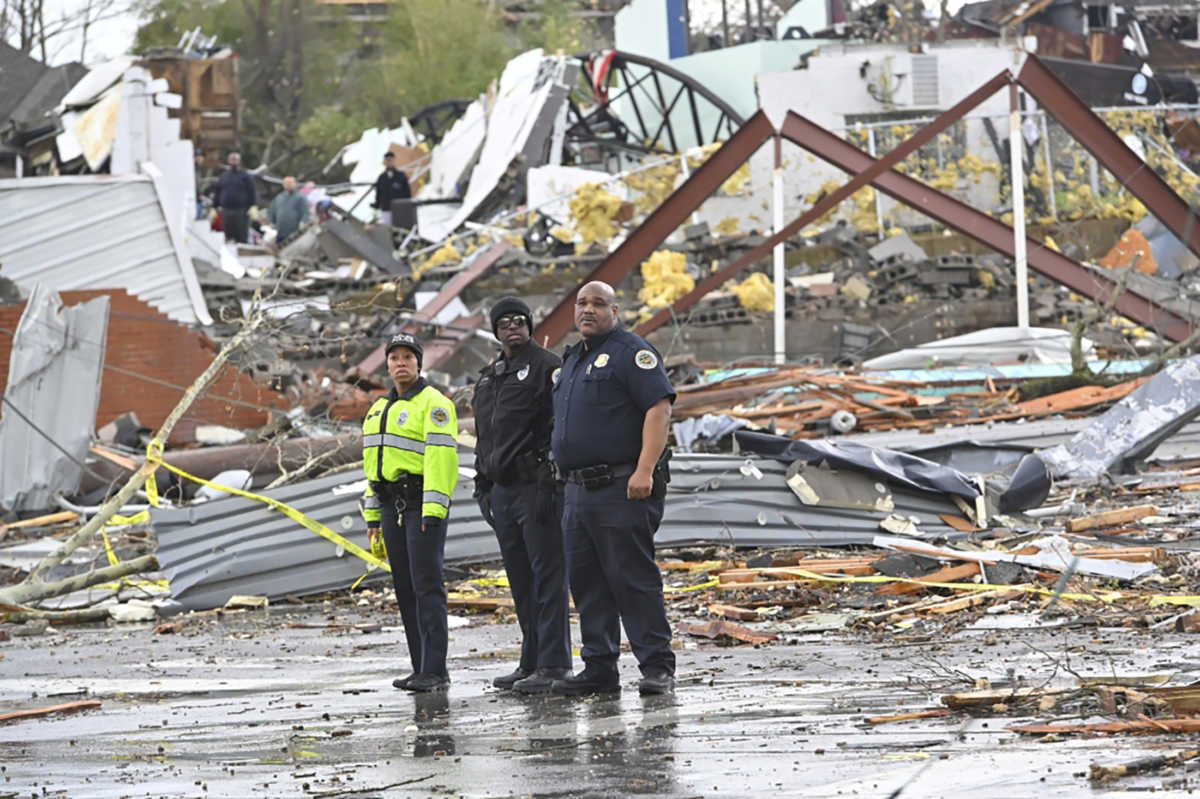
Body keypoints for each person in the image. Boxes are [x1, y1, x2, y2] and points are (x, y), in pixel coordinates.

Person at [549, 281, 676, 697]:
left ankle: (656, 667)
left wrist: (644, 469)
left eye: (598, 303)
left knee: (632, 579)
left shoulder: (630, 353)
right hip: (577, 493)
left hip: (621, 487)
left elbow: (659, 409)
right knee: (588, 585)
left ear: (615, 311)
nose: (588, 309)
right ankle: (599, 668)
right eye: (581, 302)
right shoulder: (572, 361)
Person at [471, 297, 571, 695]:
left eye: (519, 321)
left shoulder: (548, 367)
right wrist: (483, 485)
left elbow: (561, 424)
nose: (512, 327)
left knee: (547, 577)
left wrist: (552, 474)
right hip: (502, 490)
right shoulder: (489, 376)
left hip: (537, 487)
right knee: (520, 580)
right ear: (495, 330)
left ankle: (555, 663)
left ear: (529, 325)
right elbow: (485, 436)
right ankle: (531, 660)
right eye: (504, 322)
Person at [361, 332, 459, 693]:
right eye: (394, 357)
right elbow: (371, 469)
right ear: (387, 365)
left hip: (421, 504)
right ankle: (420, 667)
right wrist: (373, 517)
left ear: (419, 363)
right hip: (391, 506)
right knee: (404, 587)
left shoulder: (434, 404)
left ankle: (435, 669)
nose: (400, 363)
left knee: (427, 586)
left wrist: (433, 511)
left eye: (407, 357)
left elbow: (441, 460)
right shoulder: (377, 410)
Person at [213, 152, 257, 244]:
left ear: (239, 161)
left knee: (241, 236)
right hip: (226, 211)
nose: (234, 161)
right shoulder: (224, 176)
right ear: (229, 161)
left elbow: (252, 191)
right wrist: (214, 207)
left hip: (241, 211)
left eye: (235, 159)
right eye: (232, 159)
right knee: (228, 236)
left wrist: (253, 205)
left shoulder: (245, 176)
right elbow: (217, 191)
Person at [373, 151, 411, 227]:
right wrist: (376, 206)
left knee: (400, 231)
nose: (389, 162)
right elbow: (378, 194)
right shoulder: (381, 178)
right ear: (384, 162)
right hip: (386, 210)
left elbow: (408, 194)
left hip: (399, 210)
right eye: (387, 160)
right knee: (387, 231)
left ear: (394, 161)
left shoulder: (401, 176)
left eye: (391, 160)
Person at [267, 175, 310, 242]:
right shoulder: (279, 197)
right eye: (286, 183)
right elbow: (272, 210)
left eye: (290, 183)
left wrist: (303, 221)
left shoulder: (300, 197)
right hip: (280, 232)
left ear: (295, 184)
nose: (288, 185)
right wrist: (271, 221)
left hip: (295, 232)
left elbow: (306, 211)